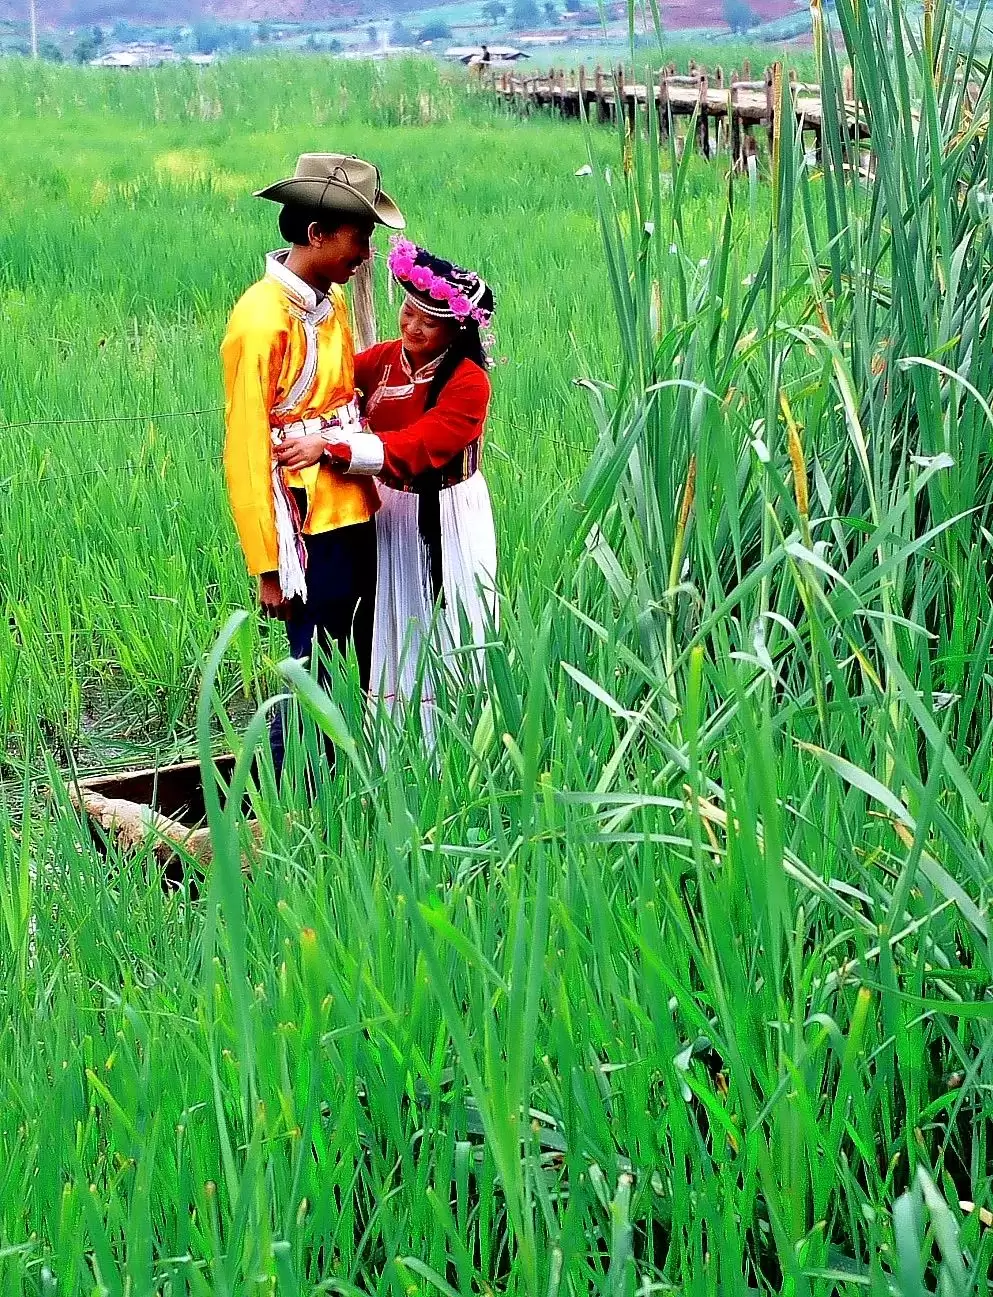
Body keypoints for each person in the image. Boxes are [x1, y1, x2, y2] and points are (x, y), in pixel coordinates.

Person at [220, 152, 405, 777]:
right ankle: (283, 797)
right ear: (317, 234)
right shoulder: (259, 320)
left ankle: (339, 789)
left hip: (353, 505)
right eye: (359, 238)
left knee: (355, 658)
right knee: (312, 670)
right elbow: (247, 447)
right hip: (304, 524)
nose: (366, 254)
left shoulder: (330, 303)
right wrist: (268, 566)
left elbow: (344, 392)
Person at [337, 240, 498, 739]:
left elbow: (420, 447)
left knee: (443, 621)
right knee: (389, 621)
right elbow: (334, 383)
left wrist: (339, 448)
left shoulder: (469, 383)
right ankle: (391, 743)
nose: (412, 327)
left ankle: (453, 741)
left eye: (429, 322)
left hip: (445, 515)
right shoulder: (385, 360)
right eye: (408, 313)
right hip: (388, 509)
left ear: (456, 330)